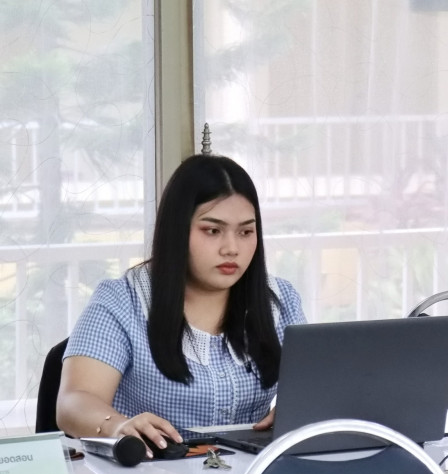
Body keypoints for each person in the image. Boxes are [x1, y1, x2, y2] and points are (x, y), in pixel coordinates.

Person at [56, 154, 306, 457]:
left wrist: (300, 412)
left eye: (245, 232)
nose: (232, 248)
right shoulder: (123, 300)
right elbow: (73, 403)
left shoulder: (279, 299)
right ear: (176, 230)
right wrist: (117, 426)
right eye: (212, 231)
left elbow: (314, 388)